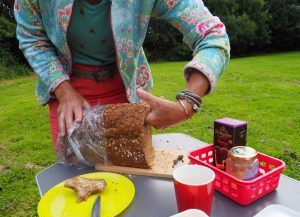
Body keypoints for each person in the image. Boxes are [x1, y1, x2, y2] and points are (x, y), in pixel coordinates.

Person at [14, 0, 230, 147]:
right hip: (66, 97)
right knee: (72, 182)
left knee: (131, 182)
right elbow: (32, 37)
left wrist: (187, 104)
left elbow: (213, 34)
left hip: (128, 95)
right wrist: (63, 90)